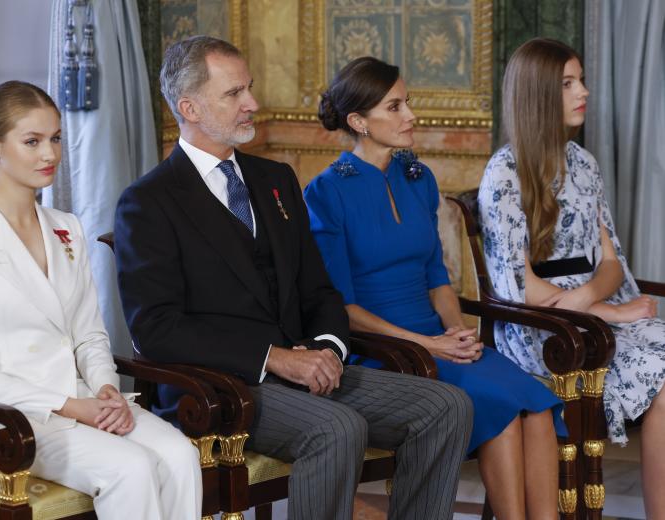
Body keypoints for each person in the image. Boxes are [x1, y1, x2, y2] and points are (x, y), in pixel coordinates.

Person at [115, 36, 472, 520]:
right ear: (189, 107)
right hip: (223, 388)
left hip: (308, 369)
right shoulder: (148, 202)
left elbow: (319, 289)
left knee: (447, 407)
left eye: (251, 88)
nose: (253, 104)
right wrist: (273, 359)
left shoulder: (275, 179)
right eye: (234, 93)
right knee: (338, 429)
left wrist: (327, 348)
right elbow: (155, 328)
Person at [303, 56, 567, 519]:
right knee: (501, 410)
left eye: (409, 103)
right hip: (383, 350)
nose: (411, 117)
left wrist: (457, 333)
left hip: (438, 339)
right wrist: (429, 344)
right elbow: (341, 309)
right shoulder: (326, 193)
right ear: (358, 122)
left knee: (538, 405)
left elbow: (438, 277)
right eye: (395, 107)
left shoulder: (417, 177)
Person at [0, 80, 202, 520]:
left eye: (55, 139)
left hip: (81, 399)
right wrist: (78, 408)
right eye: (32, 141)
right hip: (6, 422)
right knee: (128, 468)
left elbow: (89, 334)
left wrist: (107, 390)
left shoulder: (67, 228)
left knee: (179, 455)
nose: (50, 154)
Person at [479, 37, 665, 517]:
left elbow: (609, 262)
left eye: (580, 79)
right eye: (567, 83)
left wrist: (593, 300)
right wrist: (607, 311)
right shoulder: (504, 173)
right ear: (539, 93)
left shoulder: (585, 164)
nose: (583, 91)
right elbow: (516, 286)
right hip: (540, 328)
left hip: (585, 311)